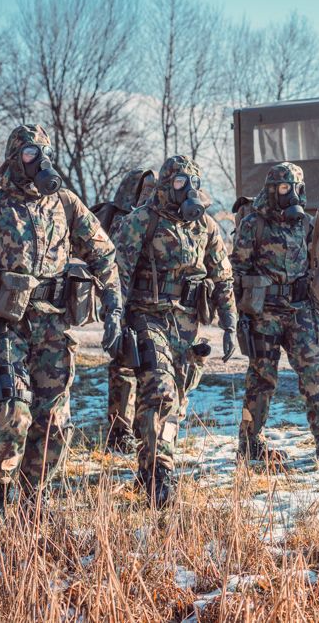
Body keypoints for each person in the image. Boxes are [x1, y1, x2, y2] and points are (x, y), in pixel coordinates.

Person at [0, 124, 122, 526]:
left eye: (44, 152)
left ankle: (34, 499)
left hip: (53, 327)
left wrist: (113, 306)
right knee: (13, 412)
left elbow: (104, 255)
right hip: (6, 325)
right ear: (15, 158)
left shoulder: (65, 203)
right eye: (31, 153)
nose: (40, 160)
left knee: (54, 423)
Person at [112, 154, 237, 508]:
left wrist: (230, 321)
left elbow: (222, 275)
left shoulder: (205, 227)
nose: (187, 191)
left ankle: (150, 459)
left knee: (177, 401)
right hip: (147, 317)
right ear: (166, 185)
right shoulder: (141, 221)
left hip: (186, 323)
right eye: (181, 183)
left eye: (192, 183)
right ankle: (158, 473)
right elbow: (118, 275)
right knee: (160, 391)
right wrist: (115, 320)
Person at [232, 162, 319, 463]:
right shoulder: (253, 223)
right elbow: (238, 269)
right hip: (263, 312)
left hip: (300, 310)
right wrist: (242, 314)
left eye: (293, 188)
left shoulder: (306, 224)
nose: (287, 194)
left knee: (315, 370)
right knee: (261, 378)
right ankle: (250, 440)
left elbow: (317, 266)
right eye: (281, 188)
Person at [95, 168, 157, 452]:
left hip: (147, 300)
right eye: (144, 189)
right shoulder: (122, 220)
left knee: (148, 366)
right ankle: (119, 431)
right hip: (125, 299)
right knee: (123, 366)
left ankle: (138, 427)